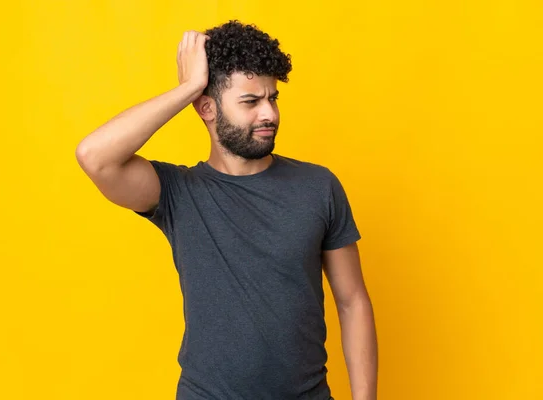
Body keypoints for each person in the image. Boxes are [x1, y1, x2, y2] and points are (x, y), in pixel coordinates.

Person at [76, 20, 377, 400]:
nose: (269, 113)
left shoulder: (318, 187)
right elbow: (94, 156)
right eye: (251, 102)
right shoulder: (177, 192)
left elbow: (352, 302)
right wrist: (187, 88)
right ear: (207, 108)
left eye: (273, 98)